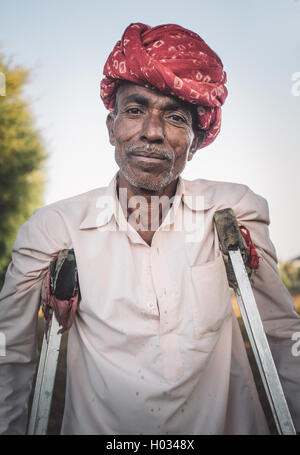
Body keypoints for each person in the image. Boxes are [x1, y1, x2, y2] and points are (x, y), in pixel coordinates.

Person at [0, 22, 299, 436]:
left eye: (175, 116)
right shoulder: (54, 228)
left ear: (195, 141)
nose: (152, 132)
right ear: (112, 128)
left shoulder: (233, 211)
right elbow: (10, 356)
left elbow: (283, 336)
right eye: (136, 110)